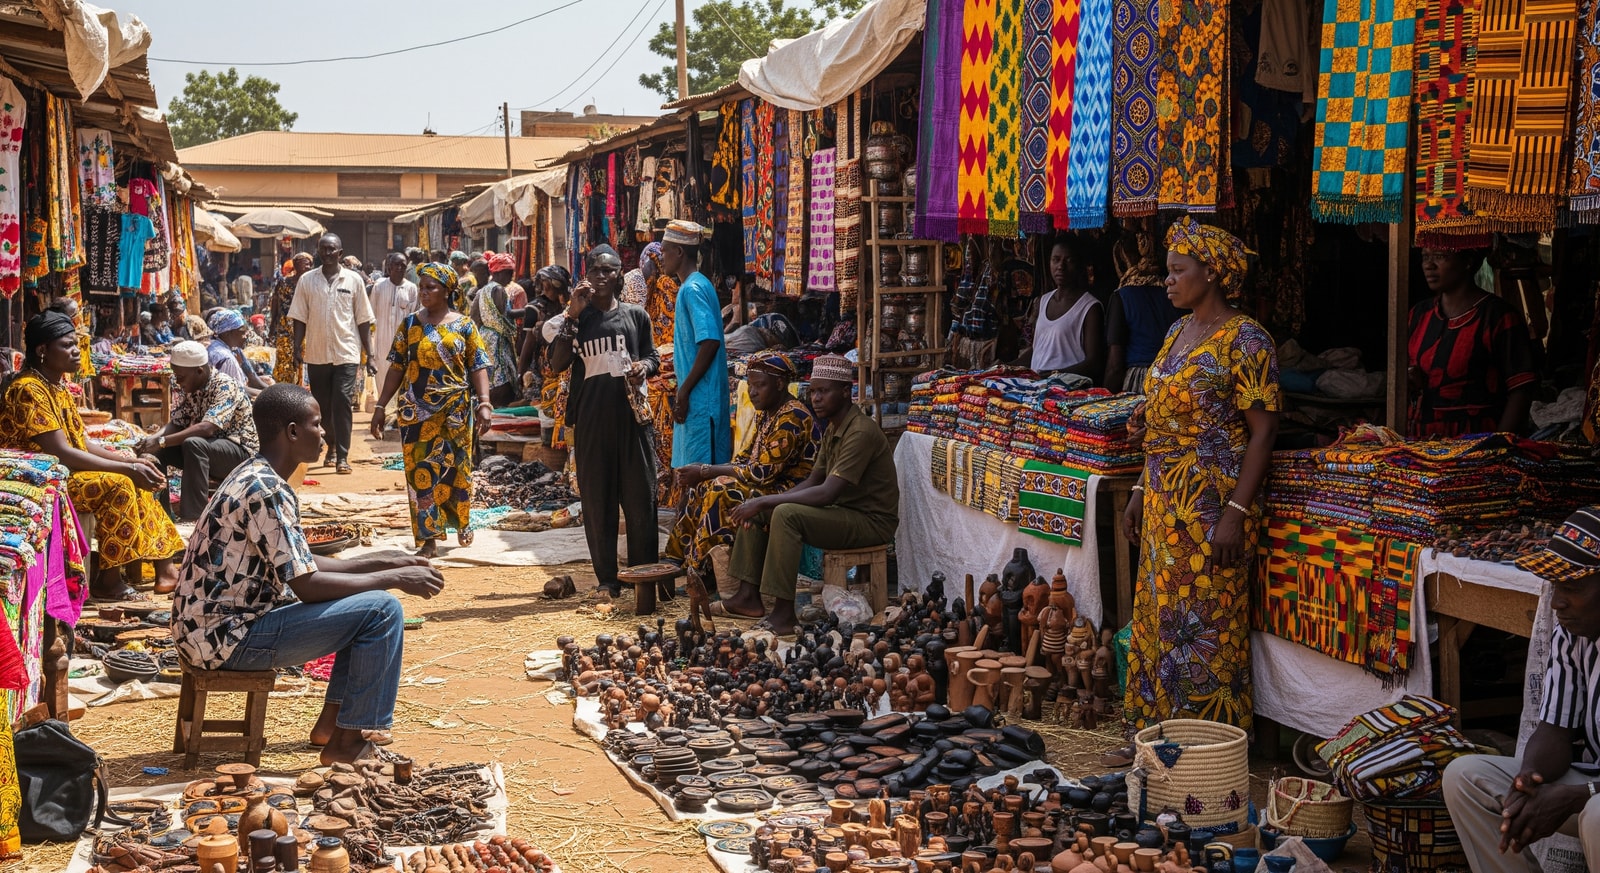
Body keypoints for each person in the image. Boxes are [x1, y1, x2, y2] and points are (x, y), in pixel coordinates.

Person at [170, 383, 446, 765]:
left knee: (363, 605)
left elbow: (300, 563)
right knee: (381, 611)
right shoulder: (266, 490)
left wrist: (387, 561)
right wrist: (393, 580)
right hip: (226, 640)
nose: (324, 434)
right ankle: (348, 746)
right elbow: (308, 586)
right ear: (293, 432)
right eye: (317, 425)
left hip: (207, 632)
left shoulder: (255, 474)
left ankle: (333, 727)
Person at [1121, 217, 1280, 732]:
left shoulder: (1248, 340)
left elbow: (1263, 433)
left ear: (1211, 273)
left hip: (1212, 507)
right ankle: (1155, 729)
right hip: (1166, 504)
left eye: (1176, 270)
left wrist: (1236, 512)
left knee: (1206, 622)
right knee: (1158, 616)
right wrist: (1140, 492)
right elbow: (1160, 424)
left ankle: (1207, 740)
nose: (1166, 280)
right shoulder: (1175, 334)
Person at [1442, 506, 1600, 870]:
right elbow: (1555, 729)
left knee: (1595, 814)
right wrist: (1526, 780)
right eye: (1556, 585)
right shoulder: (1574, 635)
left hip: (1593, 799)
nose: (1557, 601)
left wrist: (1579, 796)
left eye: (1572, 586)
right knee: (1466, 778)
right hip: (1591, 788)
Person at [0, 312, 183, 599]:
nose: (76, 351)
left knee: (140, 471)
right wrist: (126, 470)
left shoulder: (56, 386)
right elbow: (61, 452)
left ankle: (165, 568)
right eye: (67, 345)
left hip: (66, 470)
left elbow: (82, 442)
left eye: (77, 344)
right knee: (120, 484)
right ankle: (108, 581)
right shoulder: (28, 390)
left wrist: (131, 461)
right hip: (40, 481)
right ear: (42, 351)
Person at [720, 355, 900, 634]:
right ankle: (748, 595)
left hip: (871, 522)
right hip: (844, 513)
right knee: (761, 510)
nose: (815, 398)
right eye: (813, 391)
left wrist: (767, 501)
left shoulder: (860, 431)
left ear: (845, 392)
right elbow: (813, 480)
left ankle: (783, 613)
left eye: (823, 391)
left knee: (784, 513)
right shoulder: (833, 429)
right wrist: (759, 504)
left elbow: (827, 492)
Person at [542, 245, 659, 596]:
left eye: (610, 271)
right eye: (596, 271)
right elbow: (557, 363)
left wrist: (645, 368)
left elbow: (652, 355)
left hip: (633, 420)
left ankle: (643, 574)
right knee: (597, 502)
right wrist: (573, 315)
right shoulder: (577, 319)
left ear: (619, 275)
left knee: (641, 499)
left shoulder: (637, 316)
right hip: (592, 421)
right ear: (586, 276)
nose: (603, 277)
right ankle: (608, 579)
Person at [371, 264, 493, 558]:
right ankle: (428, 538)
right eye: (422, 287)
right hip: (415, 412)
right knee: (419, 473)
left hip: (456, 410)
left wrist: (484, 402)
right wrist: (379, 406)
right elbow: (397, 367)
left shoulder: (464, 325)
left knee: (457, 468)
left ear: (447, 291)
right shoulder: (410, 325)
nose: (423, 292)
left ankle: (461, 520)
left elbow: (478, 365)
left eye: (431, 288)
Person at [667, 352, 818, 580]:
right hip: (770, 483)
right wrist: (703, 471)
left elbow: (761, 473)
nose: (752, 392)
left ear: (779, 384)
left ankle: (699, 570)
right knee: (702, 486)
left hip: (791, 491)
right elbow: (745, 459)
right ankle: (674, 559)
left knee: (721, 489)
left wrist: (708, 470)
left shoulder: (792, 417)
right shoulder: (767, 413)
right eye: (750, 385)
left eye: (760, 385)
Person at [1408, 248, 1537, 438]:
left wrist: (1497, 444)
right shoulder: (1419, 314)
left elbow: (1522, 390)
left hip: (1476, 441)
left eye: (1440, 256)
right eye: (1425, 257)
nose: (1429, 265)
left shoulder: (1498, 316)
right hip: (1420, 440)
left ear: (1467, 262)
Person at [136, 340, 258, 521]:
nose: (178, 382)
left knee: (193, 443)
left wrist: (162, 441)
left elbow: (207, 428)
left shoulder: (224, 385)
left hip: (240, 453)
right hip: (210, 450)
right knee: (159, 452)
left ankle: (193, 517)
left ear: (199, 371)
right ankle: (161, 514)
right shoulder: (194, 388)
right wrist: (152, 441)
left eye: (181, 377)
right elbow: (177, 423)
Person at [289, 234, 375, 475]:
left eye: (332, 250)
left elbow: (363, 319)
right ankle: (332, 445)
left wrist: (372, 355)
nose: (327, 253)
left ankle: (342, 456)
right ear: (318, 251)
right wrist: (297, 347)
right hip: (317, 353)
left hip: (346, 351)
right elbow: (299, 316)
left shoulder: (354, 280)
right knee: (323, 407)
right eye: (323, 249)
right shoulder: (307, 280)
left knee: (342, 401)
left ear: (340, 252)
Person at [663, 220, 732, 468]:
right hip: (700, 396)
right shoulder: (697, 285)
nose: (661, 257)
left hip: (702, 399)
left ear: (679, 252)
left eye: (664, 250)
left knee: (700, 472)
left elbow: (710, 340)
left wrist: (684, 391)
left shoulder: (692, 288)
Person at [1012, 237, 1106, 380]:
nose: (1060, 266)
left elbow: (1094, 363)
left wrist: (1055, 375)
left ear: (1080, 265)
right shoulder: (1043, 301)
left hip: (1068, 391)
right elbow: (1038, 349)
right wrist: (1007, 367)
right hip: (1037, 387)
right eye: (1055, 259)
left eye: (1068, 260)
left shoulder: (1090, 307)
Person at [1104, 231, 1182, 392]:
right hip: (1174, 380)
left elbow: (1115, 365)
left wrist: (1104, 399)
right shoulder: (1177, 294)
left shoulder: (1123, 296)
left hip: (1140, 380)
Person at [370, 253, 419, 408]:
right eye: (396, 265)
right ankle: (384, 413)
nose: (399, 268)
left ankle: (398, 417)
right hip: (381, 343)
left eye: (403, 265)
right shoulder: (378, 286)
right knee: (382, 378)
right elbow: (371, 315)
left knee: (402, 380)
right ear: (389, 267)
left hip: (403, 344)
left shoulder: (411, 289)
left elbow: (415, 316)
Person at [472, 252, 522, 406]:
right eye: (509, 273)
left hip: (485, 336)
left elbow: (474, 316)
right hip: (497, 339)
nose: (511, 278)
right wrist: (527, 311)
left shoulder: (483, 291)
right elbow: (505, 315)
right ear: (500, 273)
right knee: (502, 375)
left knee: (490, 374)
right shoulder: (499, 290)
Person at [207, 309, 273, 397]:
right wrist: (271, 395)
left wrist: (272, 391)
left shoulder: (225, 347)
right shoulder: (226, 359)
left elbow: (251, 378)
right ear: (228, 333)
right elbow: (237, 393)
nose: (246, 336)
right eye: (242, 332)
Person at [271, 254, 312, 386]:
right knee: (284, 358)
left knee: (301, 358)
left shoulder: (311, 283)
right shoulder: (283, 282)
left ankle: (300, 390)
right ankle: (283, 389)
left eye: (310, 263)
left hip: (305, 327)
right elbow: (275, 301)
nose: (308, 266)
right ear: (295, 264)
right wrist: (272, 323)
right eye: (304, 263)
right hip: (284, 327)